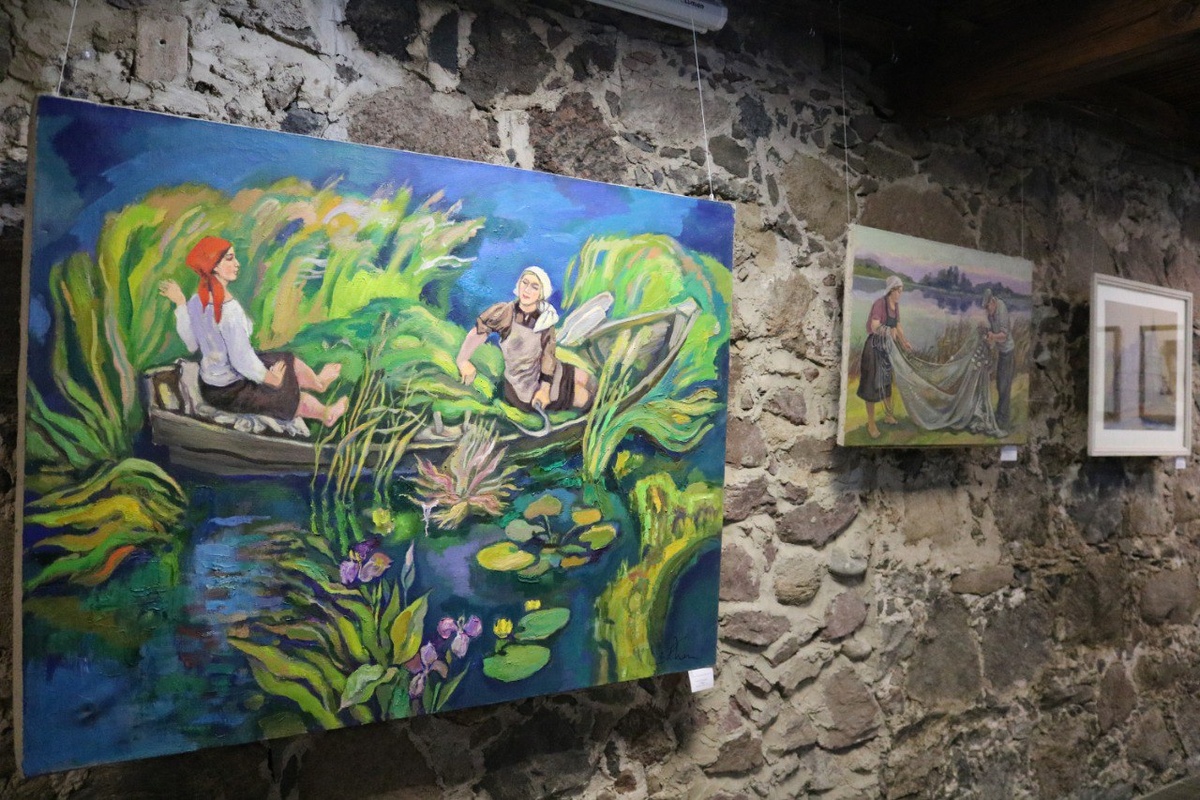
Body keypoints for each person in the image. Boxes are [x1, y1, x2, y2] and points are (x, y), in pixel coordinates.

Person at [158, 236, 348, 426]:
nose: (237, 264)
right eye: (230, 258)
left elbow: (192, 344)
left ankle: (318, 384)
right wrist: (273, 380)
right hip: (229, 390)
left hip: (211, 384)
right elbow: (242, 360)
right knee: (285, 393)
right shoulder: (229, 311)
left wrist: (181, 304)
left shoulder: (195, 301)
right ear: (214, 266)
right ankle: (326, 414)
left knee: (287, 360)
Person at [456, 266, 594, 414]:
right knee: (584, 398)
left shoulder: (545, 319)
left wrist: (544, 389)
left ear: (541, 293)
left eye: (534, 287)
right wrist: (462, 361)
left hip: (545, 376)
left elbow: (548, 357)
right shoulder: (505, 313)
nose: (527, 290)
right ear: (519, 284)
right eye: (525, 283)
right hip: (524, 387)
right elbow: (478, 332)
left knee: (587, 379)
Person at [856, 275, 913, 438]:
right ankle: (871, 424)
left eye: (901, 291)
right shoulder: (880, 304)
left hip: (886, 349)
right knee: (871, 386)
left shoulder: (895, 306)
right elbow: (874, 326)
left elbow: (898, 326)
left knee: (887, 383)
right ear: (891, 290)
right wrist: (889, 331)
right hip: (873, 349)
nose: (900, 294)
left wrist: (904, 342)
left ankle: (888, 416)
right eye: (899, 291)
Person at [982, 288, 1014, 431]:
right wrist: (989, 340)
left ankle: (1003, 420)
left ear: (993, 302)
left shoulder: (1002, 309)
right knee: (1000, 384)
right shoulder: (991, 314)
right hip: (1001, 353)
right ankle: (1000, 415)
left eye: (987, 307)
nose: (987, 311)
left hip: (1008, 352)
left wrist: (992, 336)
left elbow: (1004, 336)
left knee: (1004, 386)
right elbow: (994, 337)